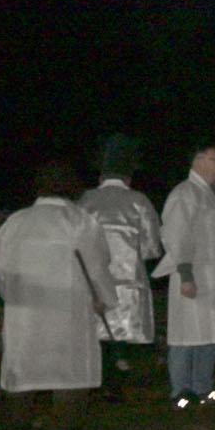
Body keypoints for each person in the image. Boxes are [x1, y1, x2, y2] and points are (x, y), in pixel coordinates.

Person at [0, 162, 117, 430]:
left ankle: (17, 425)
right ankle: (66, 429)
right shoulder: (80, 221)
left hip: (25, 308)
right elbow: (97, 266)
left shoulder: (16, 222)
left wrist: (12, 296)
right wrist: (104, 298)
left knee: (23, 366)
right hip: (68, 308)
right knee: (69, 368)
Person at [154, 143, 215, 408]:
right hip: (194, 274)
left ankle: (204, 388)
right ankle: (180, 392)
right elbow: (176, 235)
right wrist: (185, 274)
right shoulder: (184, 194)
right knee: (187, 335)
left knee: (212, 334)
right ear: (198, 161)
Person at [79, 134, 161, 383]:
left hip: (92, 284)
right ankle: (116, 380)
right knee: (121, 337)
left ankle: (99, 381)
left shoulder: (85, 200)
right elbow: (151, 248)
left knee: (95, 337)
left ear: (100, 176)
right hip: (129, 286)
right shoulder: (139, 201)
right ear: (129, 177)